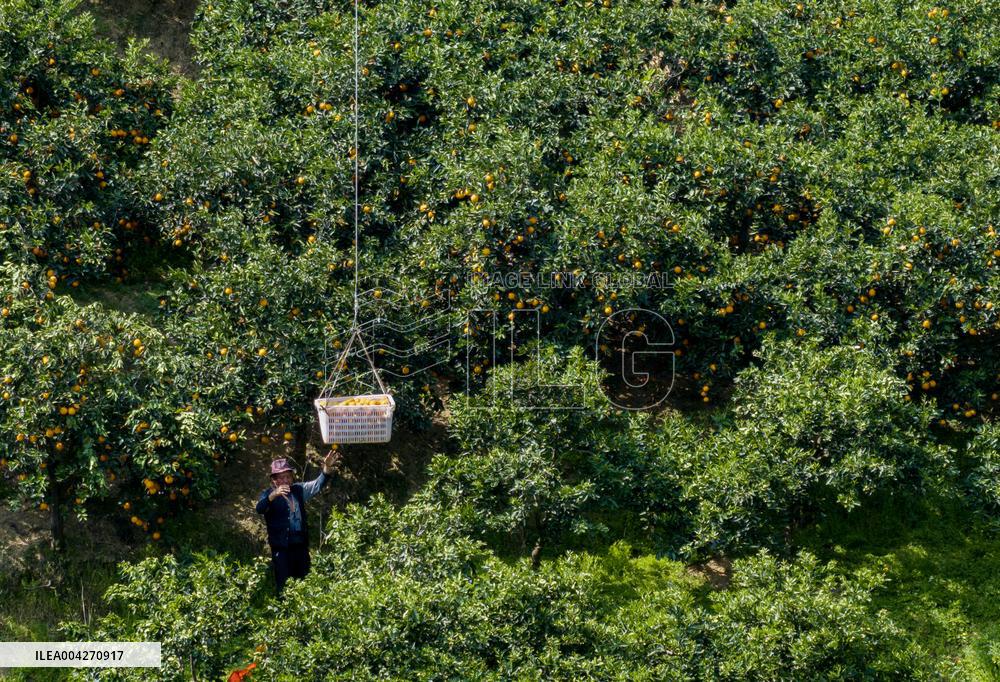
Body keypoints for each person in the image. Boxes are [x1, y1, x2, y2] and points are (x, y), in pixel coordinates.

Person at [255, 450, 341, 594]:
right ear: (274, 481)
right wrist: (273, 495)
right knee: (284, 587)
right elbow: (260, 508)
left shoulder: (298, 490)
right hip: (281, 549)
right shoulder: (269, 494)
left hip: (300, 546)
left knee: (304, 584)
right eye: (281, 478)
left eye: (288, 477)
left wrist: (326, 468)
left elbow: (317, 485)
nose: (286, 481)